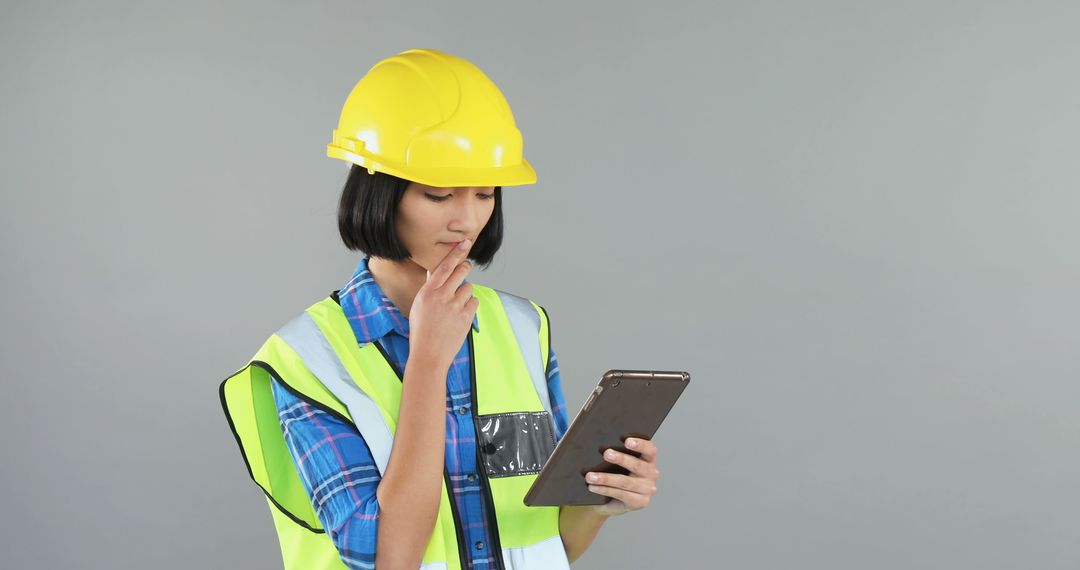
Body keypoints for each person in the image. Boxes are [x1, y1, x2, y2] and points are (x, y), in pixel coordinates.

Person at [220, 48, 661, 570]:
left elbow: (550, 542)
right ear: (377, 192)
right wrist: (426, 362)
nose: (467, 221)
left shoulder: (524, 327)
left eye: (485, 193)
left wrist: (601, 502)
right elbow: (388, 557)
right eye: (438, 194)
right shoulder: (305, 362)